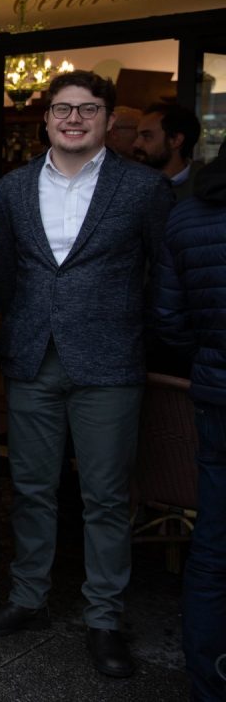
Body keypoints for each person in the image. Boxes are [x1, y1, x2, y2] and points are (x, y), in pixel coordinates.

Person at [0, 70, 174, 679]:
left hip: (110, 361)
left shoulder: (142, 188)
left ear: (109, 120)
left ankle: (105, 617)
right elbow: (6, 274)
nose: (74, 118)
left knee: (106, 497)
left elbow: (161, 275)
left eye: (88, 109)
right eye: (63, 109)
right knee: (31, 489)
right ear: (46, 118)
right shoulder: (11, 188)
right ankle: (28, 598)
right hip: (33, 356)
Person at [150, 151, 226, 701]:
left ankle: (208, 681)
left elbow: (170, 320)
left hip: (215, 394)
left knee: (214, 548)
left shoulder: (189, 213)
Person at [134, 102, 203, 200]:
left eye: (147, 136)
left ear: (175, 141)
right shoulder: (127, 183)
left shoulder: (206, 188)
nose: (136, 144)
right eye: (137, 136)